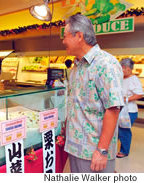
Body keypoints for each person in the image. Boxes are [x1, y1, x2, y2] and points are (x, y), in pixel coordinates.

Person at [62, 14, 124, 173]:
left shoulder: (106, 64)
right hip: (75, 148)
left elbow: (113, 108)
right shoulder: (77, 66)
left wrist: (102, 150)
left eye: (65, 36)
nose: (63, 42)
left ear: (79, 36)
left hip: (93, 152)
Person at [117, 58, 144, 158]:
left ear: (127, 68)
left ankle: (124, 151)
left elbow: (140, 94)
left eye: (122, 68)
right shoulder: (122, 78)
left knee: (124, 130)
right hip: (120, 109)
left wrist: (126, 99)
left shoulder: (134, 79)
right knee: (117, 130)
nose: (121, 70)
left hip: (129, 111)